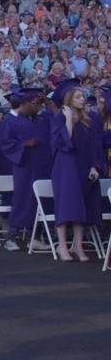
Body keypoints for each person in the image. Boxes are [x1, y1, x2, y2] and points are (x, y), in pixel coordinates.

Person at [49, 80, 103, 262]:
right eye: (78, 97)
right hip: (65, 167)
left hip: (84, 166)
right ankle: (62, 246)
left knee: (82, 207)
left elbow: (95, 146)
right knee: (66, 206)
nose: (83, 99)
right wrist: (68, 120)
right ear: (69, 100)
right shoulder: (58, 119)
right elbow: (65, 144)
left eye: (83, 96)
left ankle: (78, 246)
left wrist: (95, 165)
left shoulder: (90, 119)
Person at [0, 89, 51, 251]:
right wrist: (24, 144)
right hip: (24, 167)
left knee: (39, 201)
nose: (37, 107)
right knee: (22, 200)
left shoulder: (39, 120)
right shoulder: (10, 121)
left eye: (39, 104)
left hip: (41, 167)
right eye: (35, 104)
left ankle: (34, 237)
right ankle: (11, 237)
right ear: (25, 104)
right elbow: (5, 143)